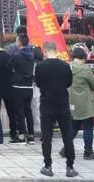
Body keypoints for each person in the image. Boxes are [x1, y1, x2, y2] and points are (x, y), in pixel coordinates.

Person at [34, 41, 76, 178]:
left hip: (47, 104)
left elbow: (38, 83)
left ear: (45, 51)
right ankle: (70, 167)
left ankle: (48, 166)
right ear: (56, 50)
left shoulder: (40, 66)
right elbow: (69, 83)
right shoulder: (65, 65)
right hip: (63, 104)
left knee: (47, 137)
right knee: (67, 136)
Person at [67, 47, 94, 161]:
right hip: (85, 103)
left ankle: (66, 148)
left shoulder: (67, 67)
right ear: (83, 57)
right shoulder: (85, 69)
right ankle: (88, 152)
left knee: (74, 127)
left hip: (71, 101)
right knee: (88, 128)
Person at [8, 33, 36, 144]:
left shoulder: (17, 55)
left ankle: (21, 135)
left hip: (18, 86)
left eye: (16, 40)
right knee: (28, 111)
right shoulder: (32, 56)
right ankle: (31, 135)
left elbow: (9, 67)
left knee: (19, 112)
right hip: (29, 87)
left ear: (19, 42)